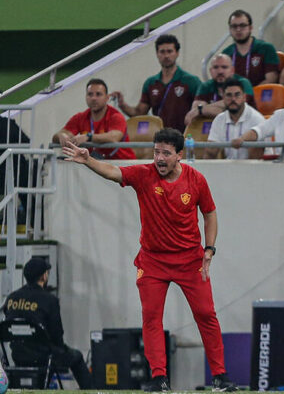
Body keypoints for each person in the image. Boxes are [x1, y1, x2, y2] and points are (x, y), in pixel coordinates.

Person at [61, 129, 238, 392]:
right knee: (152, 318)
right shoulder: (144, 174)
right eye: (156, 152)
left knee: (206, 314)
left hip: (190, 260)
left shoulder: (196, 180)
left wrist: (209, 249)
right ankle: (159, 379)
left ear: (180, 155)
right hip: (152, 261)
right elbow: (114, 172)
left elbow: (210, 214)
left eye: (166, 153)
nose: (159, 158)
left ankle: (221, 378)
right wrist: (89, 160)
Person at [3, 257, 92, 389]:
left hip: (17, 355)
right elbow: (57, 335)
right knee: (77, 357)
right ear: (44, 276)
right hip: (44, 357)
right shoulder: (50, 300)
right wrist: (61, 350)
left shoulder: (11, 298)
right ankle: (92, 391)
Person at [111, 35, 201, 133]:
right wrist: (122, 104)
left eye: (170, 51)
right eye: (162, 52)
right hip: (160, 140)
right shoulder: (151, 83)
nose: (166, 56)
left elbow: (202, 109)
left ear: (177, 53)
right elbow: (139, 113)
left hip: (184, 138)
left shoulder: (191, 81)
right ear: (157, 54)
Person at [53, 79, 135, 160]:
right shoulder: (80, 117)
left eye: (98, 94)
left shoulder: (116, 116)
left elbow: (114, 137)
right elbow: (60, 134)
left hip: (122, 165)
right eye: (90, 94)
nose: (93, 98)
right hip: (96, 164)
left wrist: (88, 137)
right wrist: (62, 136)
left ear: (107, 98)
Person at [184, 54, 255, 126]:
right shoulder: (206, 86)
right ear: (211, 71)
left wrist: (202, 110)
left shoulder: (243, 83)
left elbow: (235, 109)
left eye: (224, 67)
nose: (220, 71)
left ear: (232, 70)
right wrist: (202, 110)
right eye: (216, 67)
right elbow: (195, 112)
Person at [205, 77, 265, 159]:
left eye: (237, 95)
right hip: (229, 167)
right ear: (223, 98)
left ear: (244, 97)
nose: (233, 99)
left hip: (255, 168)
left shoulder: (257, 119)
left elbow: (257, 157)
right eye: (229, 95)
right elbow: (211, 152)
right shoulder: (219, 119)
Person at [222, 10, 280, 86]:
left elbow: (271, 79)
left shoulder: (266, 48)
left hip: (261, 95)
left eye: (242, 25)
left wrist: (250, 95)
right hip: (235, 96)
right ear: (230, 29)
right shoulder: (226, 54)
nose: (238, 30)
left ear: (250, 28)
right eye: (234, 26)